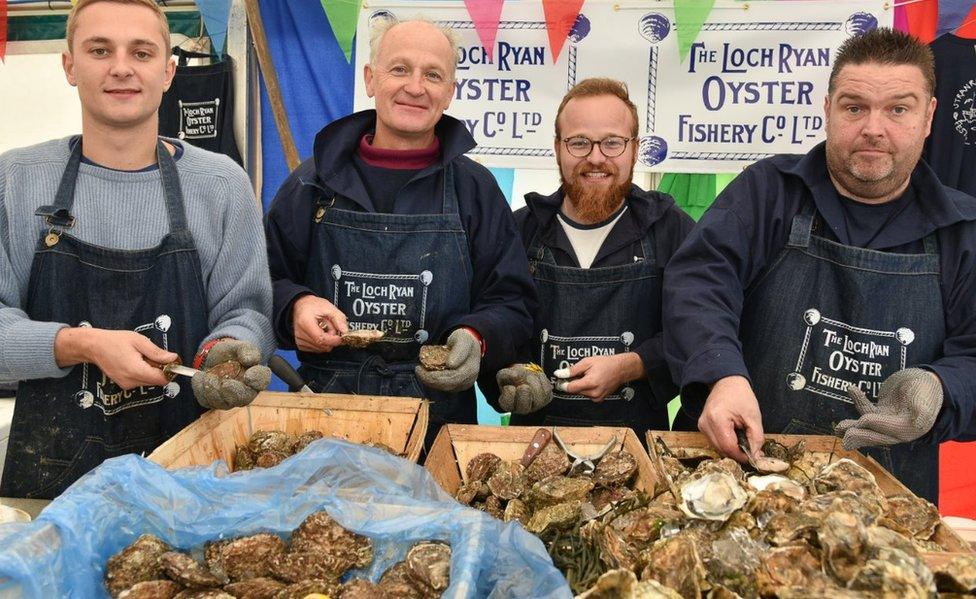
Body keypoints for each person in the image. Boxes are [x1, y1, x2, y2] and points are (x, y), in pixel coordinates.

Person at [663, 27, 976, 503]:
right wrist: (721, 374)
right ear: (827, 109)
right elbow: (699, 284)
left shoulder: (964, 231)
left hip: (886, 505)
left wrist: (942, 388)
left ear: (928, 116)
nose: (874, 127)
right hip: (737, 479)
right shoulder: (767, 192)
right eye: (855, 107)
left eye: (898, 109)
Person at [0, 0, 275, 499]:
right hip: (53, 490)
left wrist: (223, 353)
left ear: (168, 71)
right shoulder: (15, 180)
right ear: (69, 65)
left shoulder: (221, 184)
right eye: (100, 50)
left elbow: (246, 312)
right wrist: (81, 344)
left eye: (142, 52)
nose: (121, 67)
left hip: (194, 479)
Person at [264, 18, 535, 446]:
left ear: (450, 91)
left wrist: (478, 337)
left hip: (438, 422)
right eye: (399, 69)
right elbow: (262, 282)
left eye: (433, 75)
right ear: (371, 80)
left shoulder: (475, 190)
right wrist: (293, 307)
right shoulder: (310, 185)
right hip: (324, 417)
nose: (415, 86)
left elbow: (512, 301)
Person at [489, 79, 694, 437]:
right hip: (531, 447)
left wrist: (634, 365)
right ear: (557, 149)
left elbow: (699, 332)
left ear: (635, 149)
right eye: (579, 142)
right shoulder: (518, 231)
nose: (596, 157)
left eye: (612, 142)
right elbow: (494, 324)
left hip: (637, 449)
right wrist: (510, 375)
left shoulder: (671, 230)